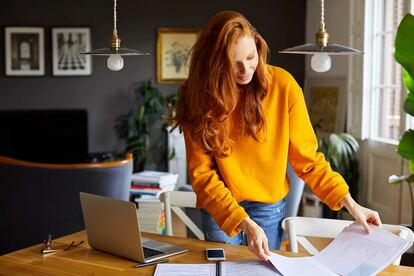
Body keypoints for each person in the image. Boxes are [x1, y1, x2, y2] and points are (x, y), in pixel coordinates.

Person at [170, 10, 382, 261]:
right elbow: (202, 175)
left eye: (251, 57)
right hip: (220, 204)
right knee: (224, 270)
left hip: (268, 207)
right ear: (215, 64)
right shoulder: (198, 96)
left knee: (264, 269)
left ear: (258, 46)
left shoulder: (284, 86)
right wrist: (241, 220)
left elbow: (308, 159)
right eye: (233, 63)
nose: (245, 69)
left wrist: (350, 203)